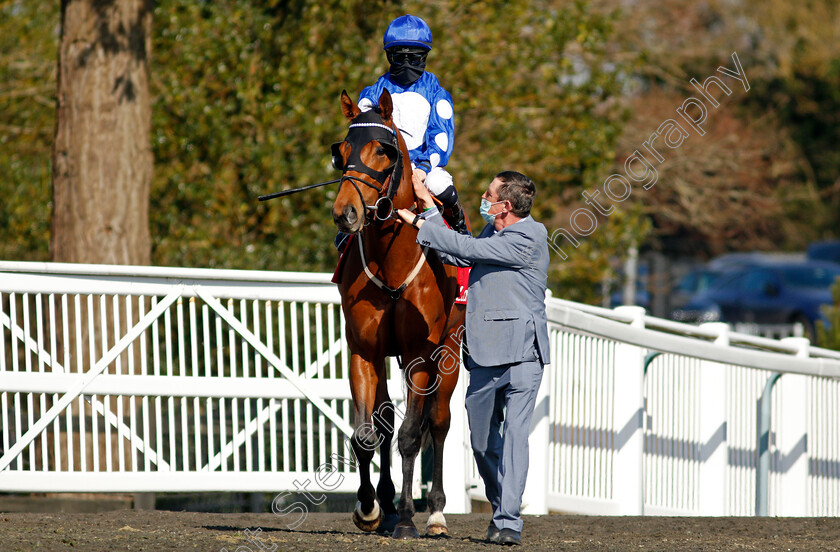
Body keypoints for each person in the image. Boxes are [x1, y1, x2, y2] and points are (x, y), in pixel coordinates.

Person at [395, 170, 550, 546]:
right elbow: (457, 250)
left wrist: (419, 218)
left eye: (488, 193)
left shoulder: (529, 236)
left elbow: (469, 251)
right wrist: (430, 208)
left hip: (521, 355)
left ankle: (509, 521)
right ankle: (502, 508)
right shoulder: (492, 234)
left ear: (505, 205)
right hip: (484, 354)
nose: (482, 197)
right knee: (482, 444)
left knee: (514, 438)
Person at [336, 14, 467, 253]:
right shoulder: (373, 92)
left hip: (422, 167)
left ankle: (460, 232)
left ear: (424, 56)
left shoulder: (437, 94)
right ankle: (345, 237)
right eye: (399, 56)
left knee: (440, 184)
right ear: (389, 56)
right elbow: (362, 133)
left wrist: (425, 168)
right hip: (385, 164)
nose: (406, 62)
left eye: (414, 56)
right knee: (357, 184)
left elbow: (442, 139)